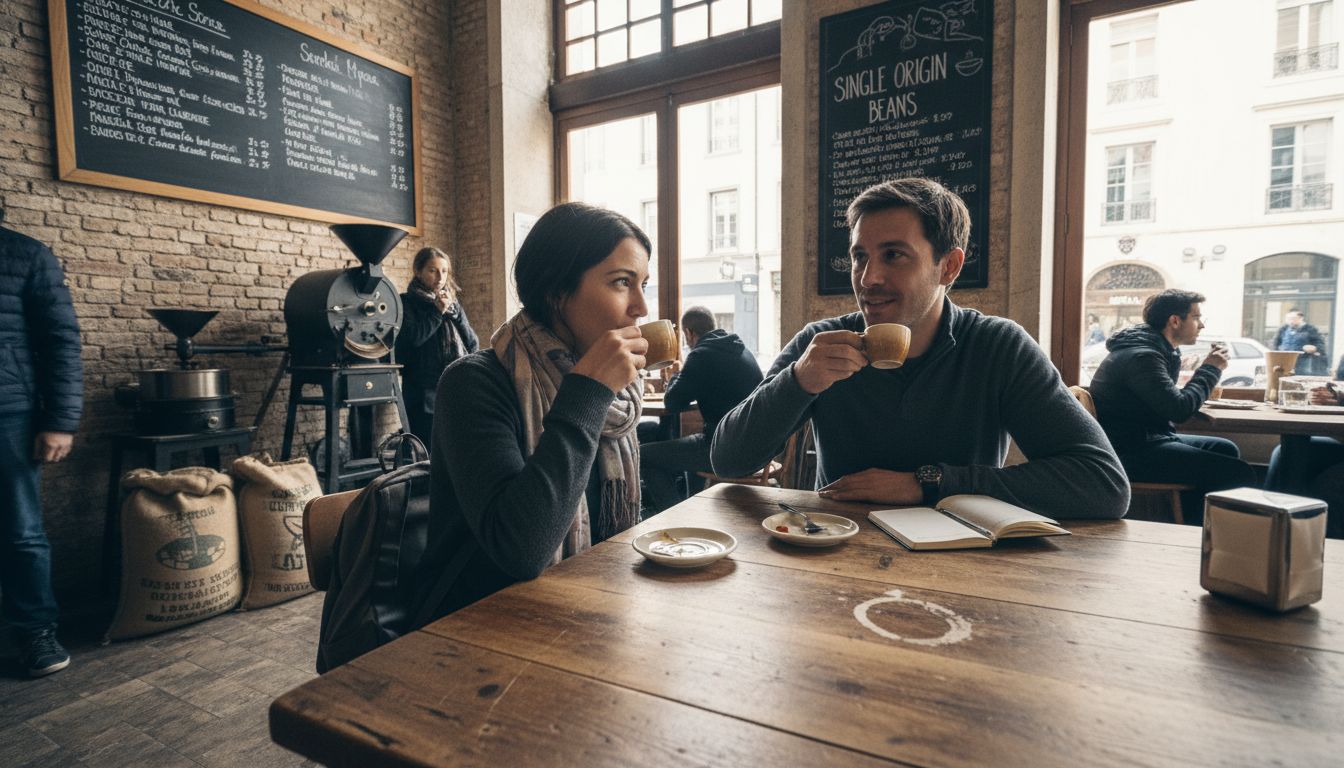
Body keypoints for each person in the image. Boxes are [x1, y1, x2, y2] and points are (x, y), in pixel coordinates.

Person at [711, 178, 1129, 520]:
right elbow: (728, 461)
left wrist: (928, 482)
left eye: (894, 255)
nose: (868, 278)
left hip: (964, 560)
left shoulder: (997, 346)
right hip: (836, 553)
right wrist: (799, 381)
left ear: (948, 266)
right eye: (860, 257)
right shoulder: (819, 344)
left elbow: (1104, 484)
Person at [421, 202, 650, 621]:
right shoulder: (473, 383)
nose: (641, 307)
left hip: (586, 612)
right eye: (622, 283)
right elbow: (520, 549)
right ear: (557, 292)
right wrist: (588, 392)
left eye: (643, 285)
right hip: (480, 628)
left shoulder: (617, 398)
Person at [1089, 289, 1257, 524]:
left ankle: (1193, 522)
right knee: (1238, 472)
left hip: (1144, 439)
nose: (1201, 326)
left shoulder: (1153, 350)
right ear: (1175, 321)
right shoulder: (1143, 357)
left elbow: (1166, 400)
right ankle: (1214, 537)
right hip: (1131, 451)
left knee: (1225, 448)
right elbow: (1178, 410)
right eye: (1196, 318)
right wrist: (1211, 369)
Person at [1, 210, 83, 677]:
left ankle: (34, 633)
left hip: (8, 414)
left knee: (20, 533)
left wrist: (60, 422)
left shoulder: (25, 253)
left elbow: (61, 341)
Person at [639, 306, 763, 513]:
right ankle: (689, 509)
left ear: (688, 332)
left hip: (726, 450)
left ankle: (673, 516)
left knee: (644, 456)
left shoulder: (702, 355)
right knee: (682, 447)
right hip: (756, 448)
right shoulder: (736, 347)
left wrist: (676, 373)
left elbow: (672, 402)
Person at [395, 247, 479, 448]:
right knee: (426, 447)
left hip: (454, 384)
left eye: (444, 271)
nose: (440, 277)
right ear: (418, 271)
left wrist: (457, 317)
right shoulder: (405, 303)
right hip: (422, 389)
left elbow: (473, 344)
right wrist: (437, 312)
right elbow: (413, 340)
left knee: (455, 445)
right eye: (433, 270)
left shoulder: (452, 303)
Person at [1274, 310, 1327, 375]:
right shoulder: (1283, 329)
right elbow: (1276, 344)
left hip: (1303, 361)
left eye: (1293, 319)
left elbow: (1320, 344)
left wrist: (1315, 348)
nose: (1290, 321)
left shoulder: (1310, 329)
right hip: (1285, 360)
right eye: (1288, 319)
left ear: (1301, 318)